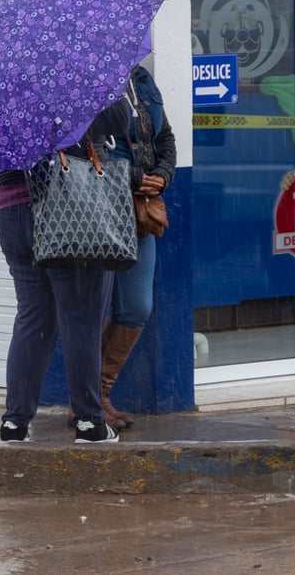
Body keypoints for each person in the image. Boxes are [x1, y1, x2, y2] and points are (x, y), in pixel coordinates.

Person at [0, 100, 129, 444]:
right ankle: (89, 423)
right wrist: (105, 90)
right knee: (81, 318)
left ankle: (15, 423)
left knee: (32, 317)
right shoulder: (78, 73)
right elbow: (118, 119)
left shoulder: (1, 82)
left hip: (13, 207)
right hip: (68, 202)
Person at [97, 65, 176, 429]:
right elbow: (83, 146)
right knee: (92, 309)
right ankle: (88, 401)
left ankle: (100, 391)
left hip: (141, 210)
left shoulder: (142, 79)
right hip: (99, 208)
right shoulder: (90, 79)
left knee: (136, 306)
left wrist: (164, 174)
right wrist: (130, 175)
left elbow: (165, 137)